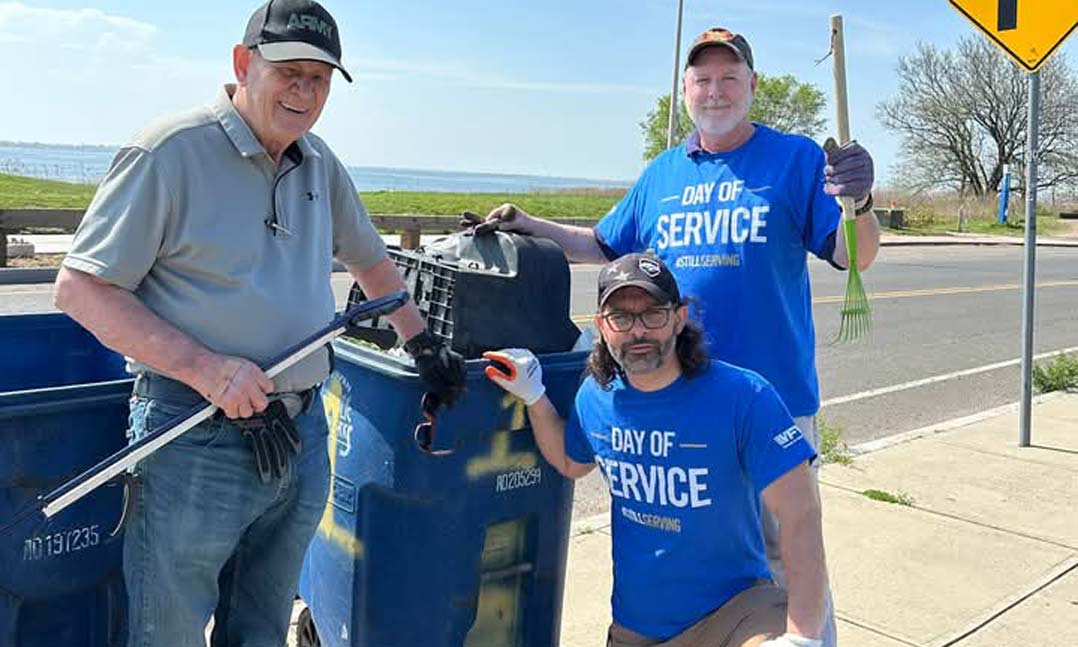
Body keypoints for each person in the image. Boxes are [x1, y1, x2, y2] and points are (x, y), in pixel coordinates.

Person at [52, 1, 465, 645]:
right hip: (192, 436)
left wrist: (424, 344)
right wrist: (207, 370)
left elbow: (375, 265)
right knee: (172, 631)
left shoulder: (320, 163)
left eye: (320, 79)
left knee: (261, 626)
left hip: (299, 431)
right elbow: (82, 289)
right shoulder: (168, 152)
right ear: (244, 64)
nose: (304, 92)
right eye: (289, 72)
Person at [468, 27, 879, 646]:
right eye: (703, 79)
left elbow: (858, 255)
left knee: (786, 564)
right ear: (685, 90)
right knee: (698, 566)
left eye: (729, 77)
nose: (716, 91)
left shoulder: (793, 160)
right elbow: (605, 247)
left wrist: (863, 201)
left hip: (771, 403)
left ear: (752, 85)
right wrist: (531, 226)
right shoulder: (662, 174)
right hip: (680, 401)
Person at [484, 253, 826, 647]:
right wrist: (535, 396)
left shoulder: (744, 396)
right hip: (638, 628)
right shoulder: (595, 398)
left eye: (653, 314)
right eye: (621, 318)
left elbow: (800, 512)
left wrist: (803, 635)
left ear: (680, 318)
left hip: (738, 612)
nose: (638, 332)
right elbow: (569, 461)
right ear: (602, 327)